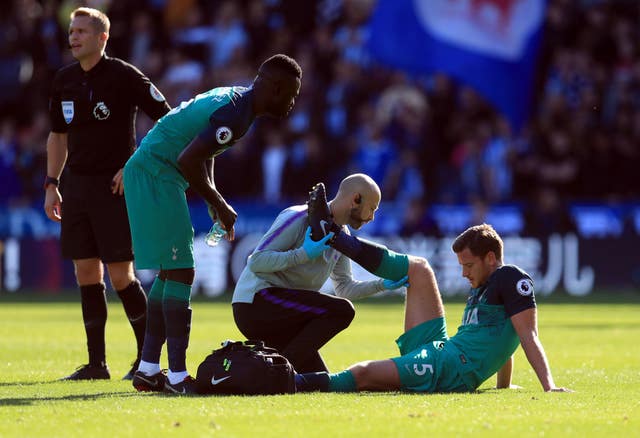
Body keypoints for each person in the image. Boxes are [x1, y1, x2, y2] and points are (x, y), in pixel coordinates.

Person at [124, 53, 302, 395]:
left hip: (154, 172)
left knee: (171, 272)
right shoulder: (237, 114)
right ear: (276, 89)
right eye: (291, 94)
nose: (292, 103)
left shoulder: (236, 99)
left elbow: (201, 153)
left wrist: (214, 198)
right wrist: (218, 202)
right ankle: (176, 377)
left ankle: (148, 369)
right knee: (180, 271)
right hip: (157, 174)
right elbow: (188, 158)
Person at [299, 199, 572, 393]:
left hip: (451, 368)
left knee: (363, 373)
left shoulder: (512, 277)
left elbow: (527, 335)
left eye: (468, 265)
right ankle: (334, 235)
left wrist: (549, 386)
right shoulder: (487, 283)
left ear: (490, 258)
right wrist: (503, 385)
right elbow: (500, 335)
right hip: (443, 350)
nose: (464, 274)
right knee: (419, 268)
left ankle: (294, 382)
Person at [44, 7, 171, 381]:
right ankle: (96, 364)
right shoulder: (64, 79)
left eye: (82, 31)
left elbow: (166, 120)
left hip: (116, 186)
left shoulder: (124, 76)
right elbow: (57, 136)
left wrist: (134, 166)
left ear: (102, 38)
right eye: (71, 31)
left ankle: (146, 361)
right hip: (76, 187)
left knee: (120, 275)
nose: (73, 37)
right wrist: (52, 184)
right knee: (86, 272)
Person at [232, 174, 409, 374]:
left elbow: (344, 288)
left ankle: (269, 372)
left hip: (286, 314)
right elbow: (256, 261)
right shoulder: (298, 217)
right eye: (373, 208)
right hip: (255, 303)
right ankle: (278, 372)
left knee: (319, 381)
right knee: (342, 311)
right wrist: (303, 255)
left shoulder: (341, 237)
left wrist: (382, 285)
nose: (372, 217)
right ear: (356, 199)